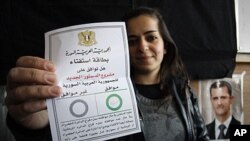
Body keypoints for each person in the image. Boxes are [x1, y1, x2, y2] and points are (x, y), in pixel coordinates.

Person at [5, 7, 209, 141]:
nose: (143, 47)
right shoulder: (98, 93)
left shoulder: (183, 90)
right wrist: (35, 129)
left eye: (151, 37)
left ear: (165, 46)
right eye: (131, 41)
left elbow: (201, 137)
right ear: (120, 49)